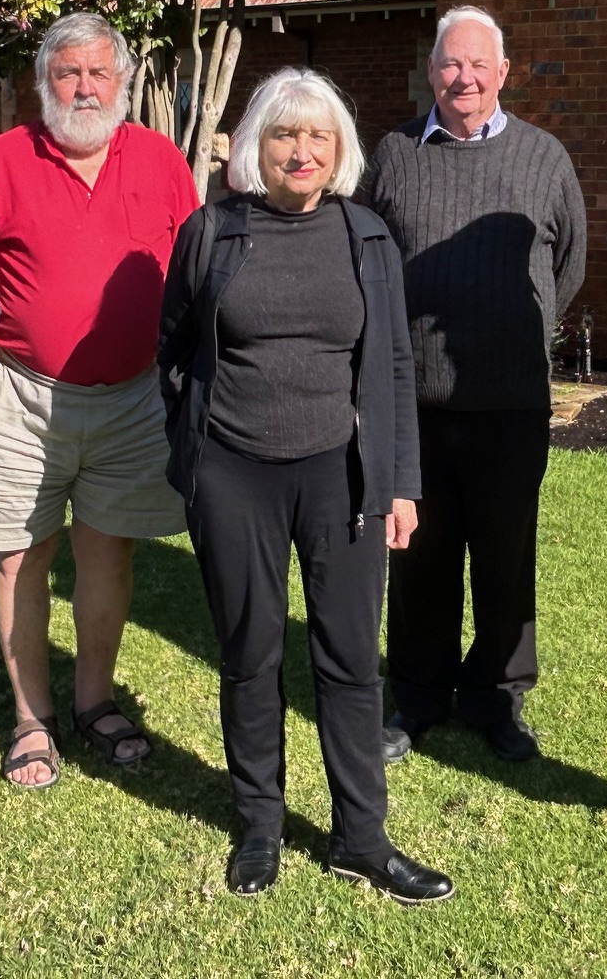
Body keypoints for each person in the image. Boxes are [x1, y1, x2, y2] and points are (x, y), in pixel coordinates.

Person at [158, 68, 453, 904]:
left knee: (351, 659)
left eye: (318, 135)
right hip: (233, 472)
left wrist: (400, 483)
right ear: (258, 145)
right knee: (250, 652)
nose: (302, 150)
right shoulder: (212, 231)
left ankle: (362, 838)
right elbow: (173, 348)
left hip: (341, 471)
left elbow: (392, 364)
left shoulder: (366, 236)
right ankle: (259, 824)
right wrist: (194, 452)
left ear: (338, 149)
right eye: (285, 134)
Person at [0, 13, 198, 788]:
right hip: (21, 395)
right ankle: (31, 719)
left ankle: (95, 701)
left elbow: (193, 271)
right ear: (44, 84)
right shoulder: (1, 160)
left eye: (99, 73)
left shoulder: (160, 160)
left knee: (107, 549)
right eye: (69, 74)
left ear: (122, 81)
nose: (85, 88)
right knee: (20, 554)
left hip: (132, 397)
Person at [364, 6, 585, 764]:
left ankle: (497, 696)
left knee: (504, 556)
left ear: (503, 74)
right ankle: (419, 694)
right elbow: (370, 258)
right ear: (432, 72)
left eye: (479, 64)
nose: (465, 78)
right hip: (415, 403)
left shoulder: (544, 157)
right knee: (418, 556)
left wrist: (514, 330)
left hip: (509, 404)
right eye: (451, 64)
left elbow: (567, 264)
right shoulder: (394, 155)